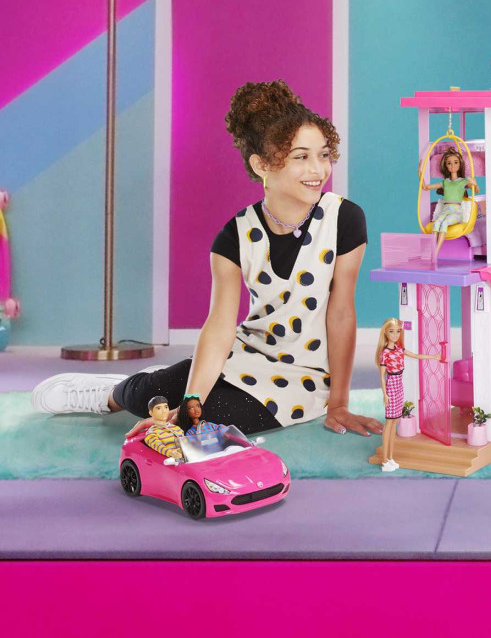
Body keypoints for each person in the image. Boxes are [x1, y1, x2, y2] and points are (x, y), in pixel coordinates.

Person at [32, 79, 379, 439]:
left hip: (307, 377)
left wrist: (339, 403)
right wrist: (190, 399)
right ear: (262, 165)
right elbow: (219, 327)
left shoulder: (344, 219)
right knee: (161, 397)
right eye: (301, 157)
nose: (319, 170)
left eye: (324, 154)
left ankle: (163, 388)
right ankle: (111, 394)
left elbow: (341, 312)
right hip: (245, 353)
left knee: (207, 419)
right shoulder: (234, 236)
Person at [375, 317, 443, 471]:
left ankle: (390, 458)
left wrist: (434, 357)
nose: (395, 335)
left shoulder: (399, 349)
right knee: (389, 424)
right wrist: (385, 394)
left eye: (397, 331)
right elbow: (382, 376)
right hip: (391, 386)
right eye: (391, 332)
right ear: (385, 333)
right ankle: (385, 461)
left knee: (394, 423)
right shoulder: (385, 353)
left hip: (399, 385)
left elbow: (416, 355)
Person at [425, 147, 478, 256]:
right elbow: (426, 187)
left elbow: (476, 190)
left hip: (456, 212)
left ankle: (435, 253)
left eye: (455, 162)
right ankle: (432, 250)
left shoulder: (463, 181)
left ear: (459, 164)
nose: (452, 165)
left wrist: (474, 183)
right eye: (449, 163)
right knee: (437, 224)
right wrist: (420, 174)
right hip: (445, 210)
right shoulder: (445, 182)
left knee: (444, 224)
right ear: (446, 166)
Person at [125, 394, 185, 463]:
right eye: (158, 408)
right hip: (170, 461)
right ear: (151, 412)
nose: (164, 411)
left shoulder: (176, 428)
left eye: (166, 407)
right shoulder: (152, 433)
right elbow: (158, 446)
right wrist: (171, 453)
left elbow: (186, 443)